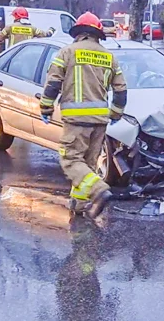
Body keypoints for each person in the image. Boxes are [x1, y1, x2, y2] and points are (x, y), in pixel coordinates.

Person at [40, 12, 127, 219]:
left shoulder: (67, 53)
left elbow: (53, 83)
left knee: (70, 160)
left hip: (76, 120)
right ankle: (79, 205)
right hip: (100, 121)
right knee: (87, 164)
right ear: (97, 34)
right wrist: (115, 113)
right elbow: (121, 89)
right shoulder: (108, 56)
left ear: (78, 33)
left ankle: (99, 189)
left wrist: (46, 108)